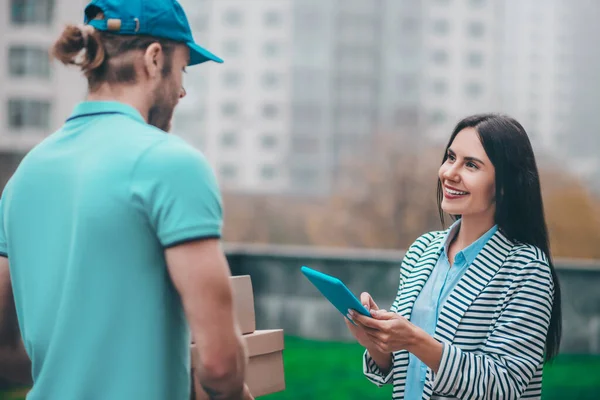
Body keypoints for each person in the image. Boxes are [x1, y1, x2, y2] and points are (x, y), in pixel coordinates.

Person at [0, 0, 254, 399]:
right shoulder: (171, 164)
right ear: (155, 59)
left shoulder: (22, 178)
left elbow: (4, 349)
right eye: (183, 68)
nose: (182, 90)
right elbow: (219, 364)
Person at [346, 114, 562, 400]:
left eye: (471, 165)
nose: (449, 173)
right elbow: (406, 368)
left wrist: (414, 339)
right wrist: (376, 341)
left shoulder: (526, 269)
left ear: (506, 185)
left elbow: (504, 385)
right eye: (450, 158)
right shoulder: (422, 250)